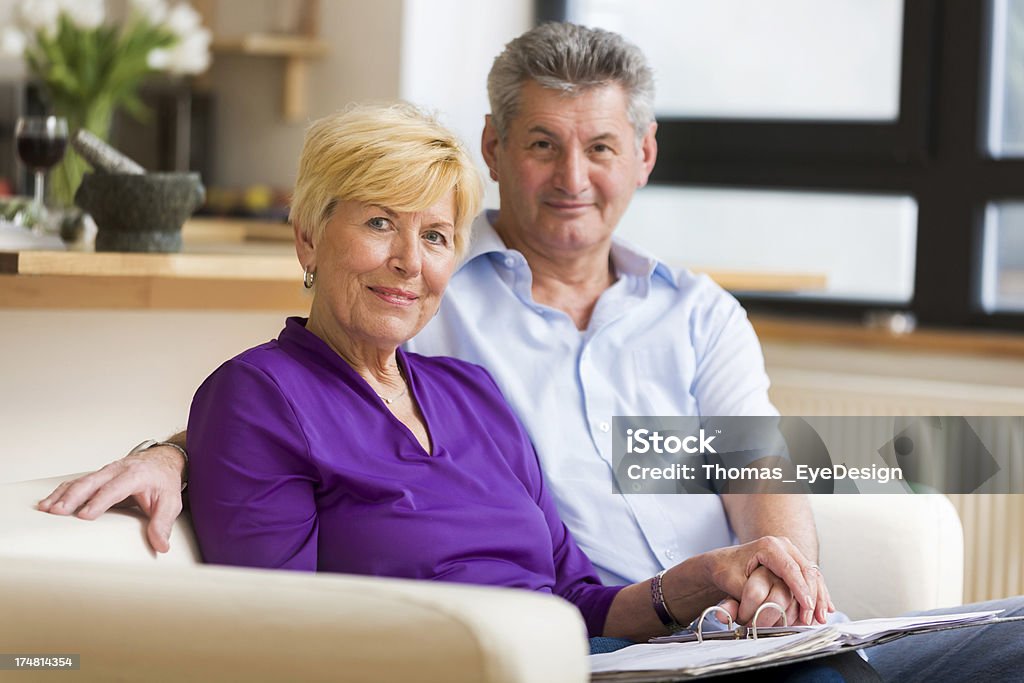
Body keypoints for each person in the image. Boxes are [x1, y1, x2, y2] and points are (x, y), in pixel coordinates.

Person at [37, 22, 1021, 680]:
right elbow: (293, 410)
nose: (570, 177)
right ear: (495, 149)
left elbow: (746, 464)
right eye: (541, 144)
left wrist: (773, 585)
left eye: (598, 147)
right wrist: (179, 450)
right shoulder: (448, 302)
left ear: (642, 156)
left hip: (705, 640)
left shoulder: (682, 317)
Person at [181, 102, 831, 654]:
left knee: (922, 654)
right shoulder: (259, 397)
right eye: (380, 222)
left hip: (586, 662)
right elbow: (277, 640)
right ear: (308, 239)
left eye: (435, 235)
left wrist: (703, 577)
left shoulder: (471, 393)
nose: (410, 261)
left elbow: (578, 600)